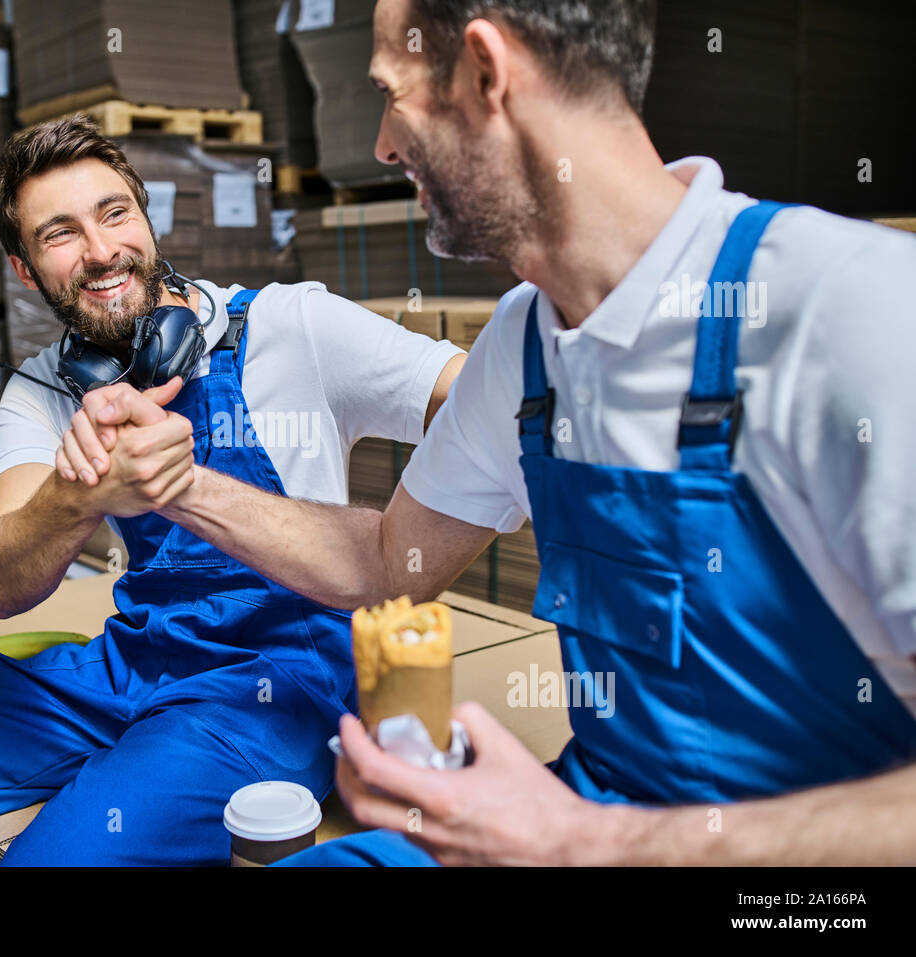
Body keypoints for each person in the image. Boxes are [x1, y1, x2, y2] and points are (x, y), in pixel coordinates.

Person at [55, 0, 916, 864]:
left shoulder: (853, 308)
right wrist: (178, 480)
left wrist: (593, 841)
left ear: (484, 71)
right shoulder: (522, 345)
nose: (385, 144)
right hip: (592, 813)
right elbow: (387, 564)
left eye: (393, 95)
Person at [0, 113, 465, 866]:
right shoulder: (42, 387)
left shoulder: (295, 325)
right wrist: (82, 490)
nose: (101, 252)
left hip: (278, 680)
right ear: (25, 269)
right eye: (59, 233)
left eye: (113, 212)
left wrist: (394, 547)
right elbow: (0, 582)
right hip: (134, 657)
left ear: (145, 214)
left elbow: (474, 403)